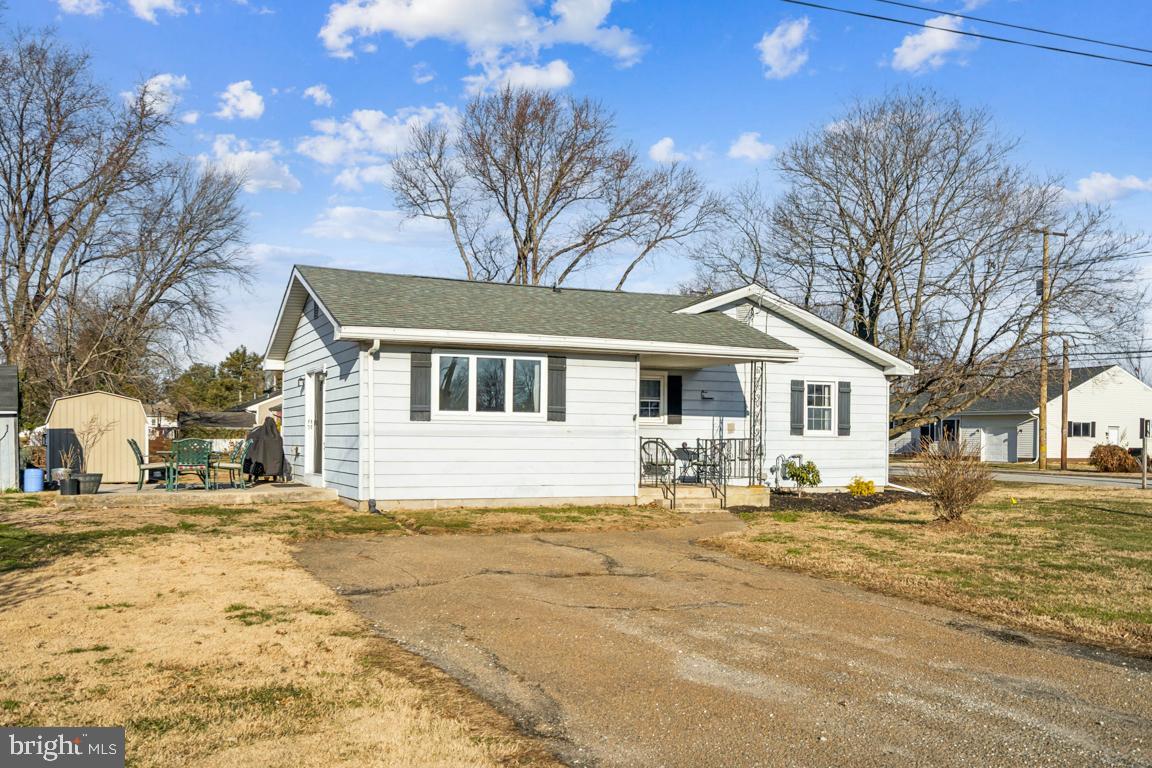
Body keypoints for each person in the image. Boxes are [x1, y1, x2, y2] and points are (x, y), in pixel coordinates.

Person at [244, 416, 286, 483]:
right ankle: (275, 476)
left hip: (260, 461)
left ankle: (254, 477)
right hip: (274, 464)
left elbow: (250, 436)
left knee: (255, 458)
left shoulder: (260, 433)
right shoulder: (278, 437)